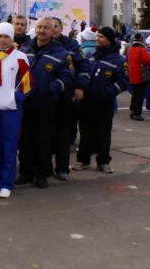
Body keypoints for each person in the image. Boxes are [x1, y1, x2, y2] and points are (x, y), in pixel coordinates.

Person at [16, 17, 73, 189]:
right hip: (25, 104)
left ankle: (42, 174)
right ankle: (25, 172)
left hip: (45, 104)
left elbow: (68, 78)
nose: (42, 30)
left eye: (46, 28)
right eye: (39, 27)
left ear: (53, 31)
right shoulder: (24, 50)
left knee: (43, 141)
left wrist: (49, 88)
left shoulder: (61, 53)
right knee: (24, 141)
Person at [0, 22, 32, 199]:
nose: (2, 40)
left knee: (9, 146)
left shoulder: (20, 57)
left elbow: (27, 83)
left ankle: (7, 182)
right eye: (0, 37)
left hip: (11, 109)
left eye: (6, 37)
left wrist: (16, 97)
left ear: (12, 39)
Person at [72, 26, 129, 174]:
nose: (98, 39)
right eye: (97, 36)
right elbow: (82, 72)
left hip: (104, 102)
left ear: (109, 40)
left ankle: (103, 161)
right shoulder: (90, 55)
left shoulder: (118, 60)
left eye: (102, 36)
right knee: (85, 131)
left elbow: (123, 82)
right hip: (87, 101)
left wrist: (106, 92)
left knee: (103, 132)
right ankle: (83, 160)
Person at [49, 17, 89, 182]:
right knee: (46, 135)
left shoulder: (72, 46)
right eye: (49, 27)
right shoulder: (39, 45)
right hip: (46, 98)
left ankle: (62, 168)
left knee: (63, 134)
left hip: (64, 97)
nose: (52, 30)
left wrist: (80, 86)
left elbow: (84, 67)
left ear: (60, 28)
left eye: (55, 27)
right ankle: (45, 168)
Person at [126, 33, 150, 121]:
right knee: (140, 95)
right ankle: (138, 113)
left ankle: (132, 110)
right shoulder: (142, 50)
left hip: (132, 74)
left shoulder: (130, 50)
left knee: (135, 93)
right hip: (141, 75)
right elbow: (147, 60)